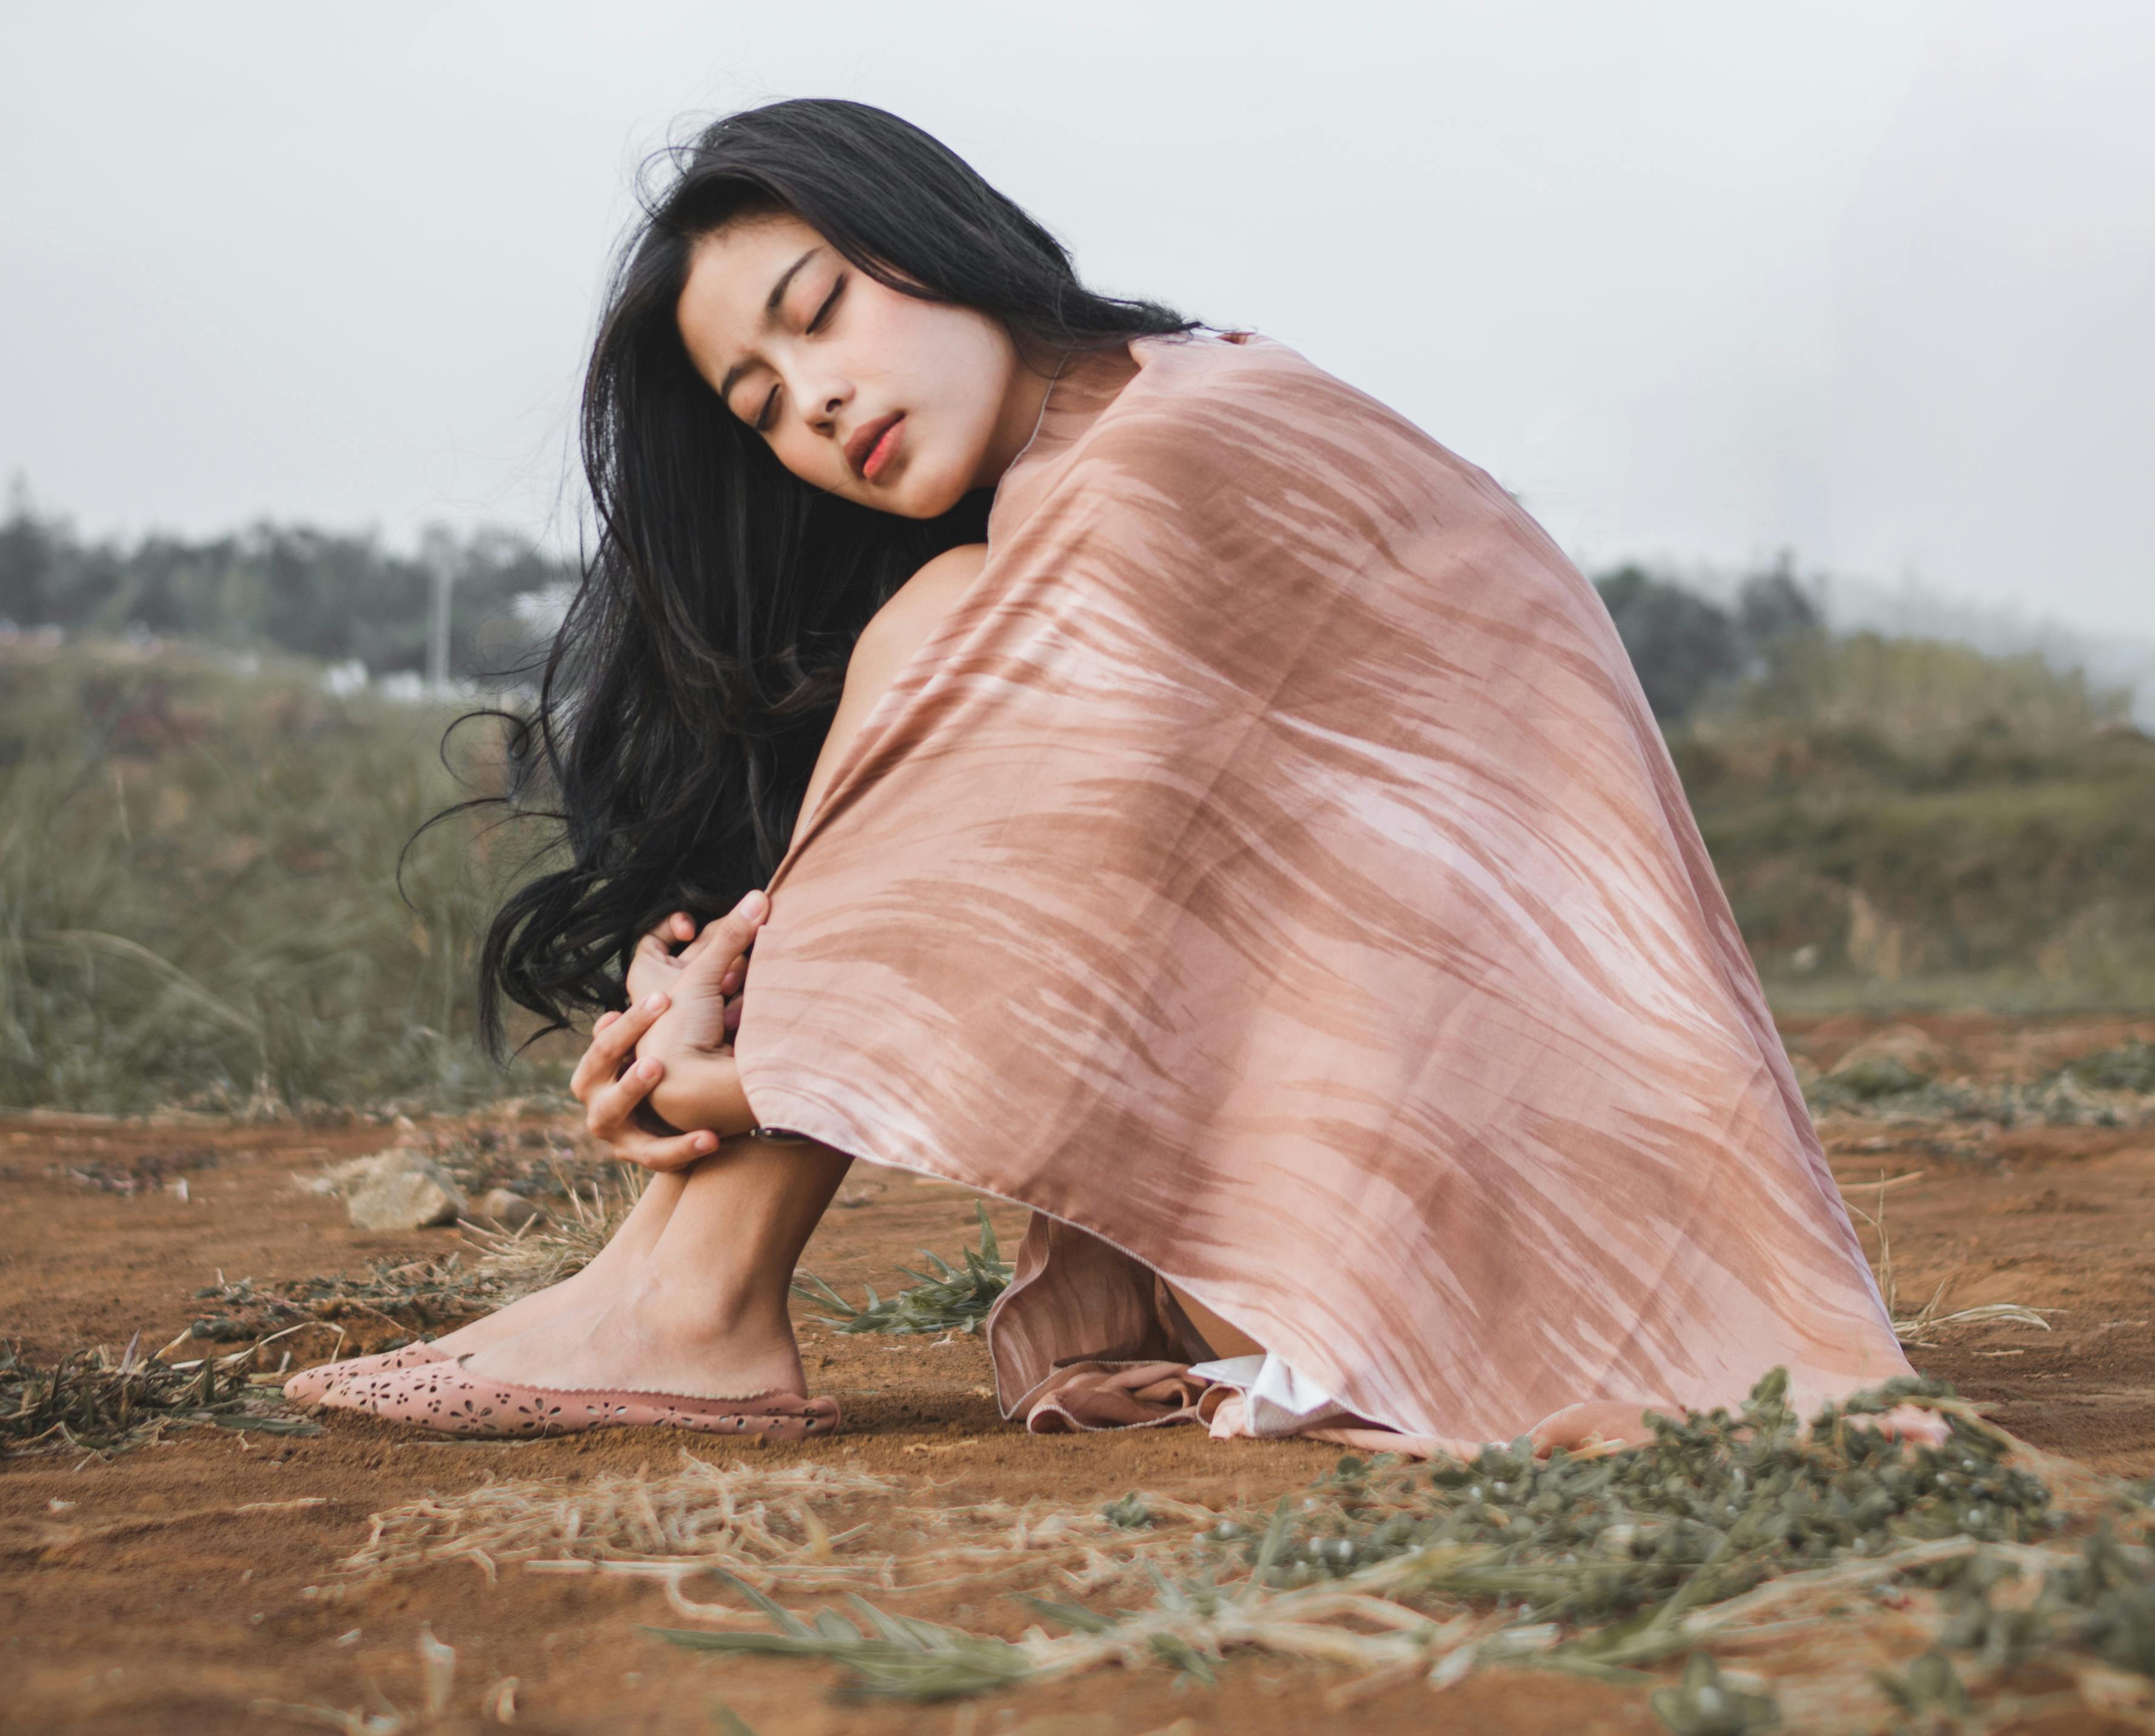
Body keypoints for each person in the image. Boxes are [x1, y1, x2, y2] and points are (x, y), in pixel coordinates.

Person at [293, 98, 1908, 1447]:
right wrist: (719, 985)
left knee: (943, 619)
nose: (818, 399)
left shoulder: (1183, 449)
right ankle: (675, 1280)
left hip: (1544, 1200)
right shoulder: (1106, 460)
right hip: (1405, 1173)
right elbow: (1048, 838)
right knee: (936, 608)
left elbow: (1062, 869)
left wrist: (729, 1057)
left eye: (817, 308)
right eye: (763, 404)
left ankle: (694, 1294)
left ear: (928, 231)